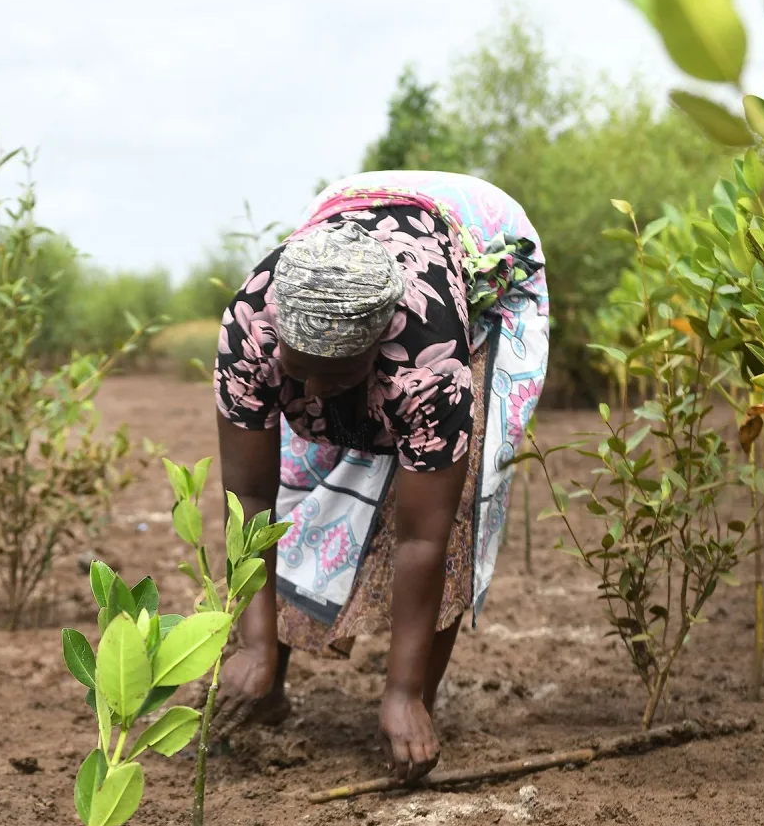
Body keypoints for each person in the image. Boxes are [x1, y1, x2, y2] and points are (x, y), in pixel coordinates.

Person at [211, 170, 549, 781]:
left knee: (462, 495)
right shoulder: (250, 331)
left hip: (485, 251)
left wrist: (400, 691)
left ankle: (417, 702)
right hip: (349, 215)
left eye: (334, 377)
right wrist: (254, 643)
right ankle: (269, 686)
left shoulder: (427, 364)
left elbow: (426, 537)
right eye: (298, 372)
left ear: (378, 351)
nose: (310, 394)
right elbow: (253, 498)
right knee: (301, 477)